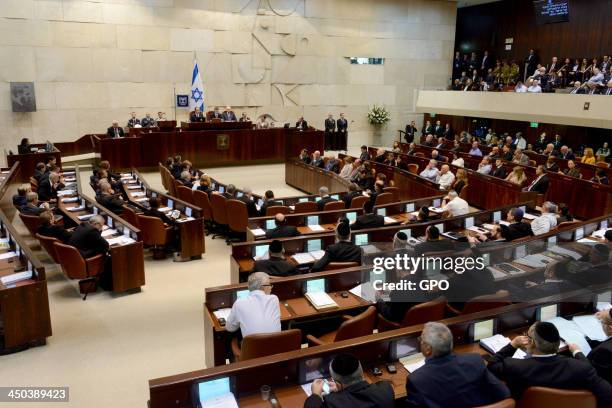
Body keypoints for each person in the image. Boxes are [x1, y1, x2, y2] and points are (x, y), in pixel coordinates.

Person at [488, 321, 612, 406]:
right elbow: (608, 394)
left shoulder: (515, 367)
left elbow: (492, 365)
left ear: (532, 343)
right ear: (558, 344)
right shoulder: (581, 369)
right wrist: (578, 353)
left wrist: (512, 345)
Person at [405, 322, 510, 408]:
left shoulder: (416, 380)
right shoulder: (475, 361)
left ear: (428, 349)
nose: (420, 341)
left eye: (421, 339)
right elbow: (505, 396)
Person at [305, 353, 394, 408]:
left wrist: (316, 395)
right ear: (361, 372)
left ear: (338, 383)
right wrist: (342, 388)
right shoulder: (385, 389)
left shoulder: (332, 403)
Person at [225, 272, 281, 338]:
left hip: (252, 347)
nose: (271, 288)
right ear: (263, 287)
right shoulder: (274, 299)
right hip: (276, 346)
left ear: (248, 287)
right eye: (269, 285)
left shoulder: (239, 303)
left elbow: (230, 328)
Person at [573, 308, 612, 385]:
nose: (601, 324)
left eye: (602, 322)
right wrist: (607, 314)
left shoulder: (605, 351)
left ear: (610, 328)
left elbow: (590, 372)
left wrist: (576, 352)